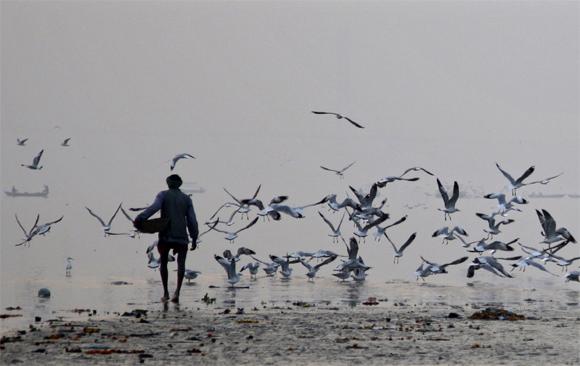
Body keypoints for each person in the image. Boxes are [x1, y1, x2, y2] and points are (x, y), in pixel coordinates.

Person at [135, 174, 199, 303]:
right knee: (181, 264)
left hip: (165, 236)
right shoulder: (186, 199)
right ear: (179, 184)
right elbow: (192, 220)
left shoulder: (163, 195)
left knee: (163, 262)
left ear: (168, 183)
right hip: (182, 237)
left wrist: (141, 218)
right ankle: (177, 293)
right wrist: (194, 237)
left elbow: (154, 208)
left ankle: (165, 293)